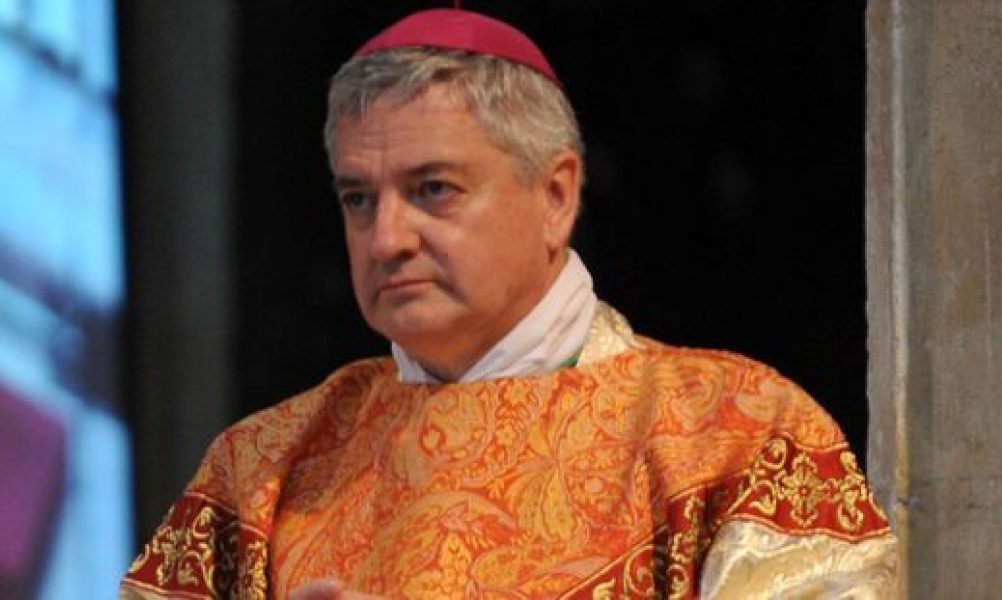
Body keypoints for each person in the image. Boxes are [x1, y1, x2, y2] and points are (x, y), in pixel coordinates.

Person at [121, 8, 897, 599]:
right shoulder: (262, 469)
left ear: (555, 197)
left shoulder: (738, 435)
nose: (386, 238)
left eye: (433, 189)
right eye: (358, 198)